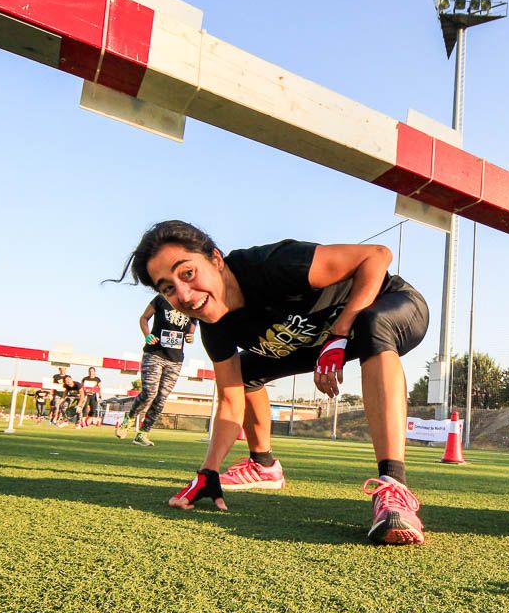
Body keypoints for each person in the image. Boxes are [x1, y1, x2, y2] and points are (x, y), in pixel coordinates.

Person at [112, 220, 430, 544]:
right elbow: (230, 399)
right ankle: (264, 465)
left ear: (216, 259)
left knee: (373, 323)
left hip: (388, 306)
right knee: (245, 374)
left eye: (188, 274)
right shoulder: (214, 326)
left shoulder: (271, 265)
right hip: (315, 341)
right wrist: (208, 471)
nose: (184, 295)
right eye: (167, 288)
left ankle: (394, 488)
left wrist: (340, 332)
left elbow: (377, 256)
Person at [117, 295, 197, 446]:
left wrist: (191, 337)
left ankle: (142, 434)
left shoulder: (191, 304)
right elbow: (143, 318)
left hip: (175, 360)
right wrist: (147, 336)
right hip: (154, 353)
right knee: (149, 392)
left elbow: (192, 329)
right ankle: (129, 418)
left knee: (161, 399)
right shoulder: (161, 299)